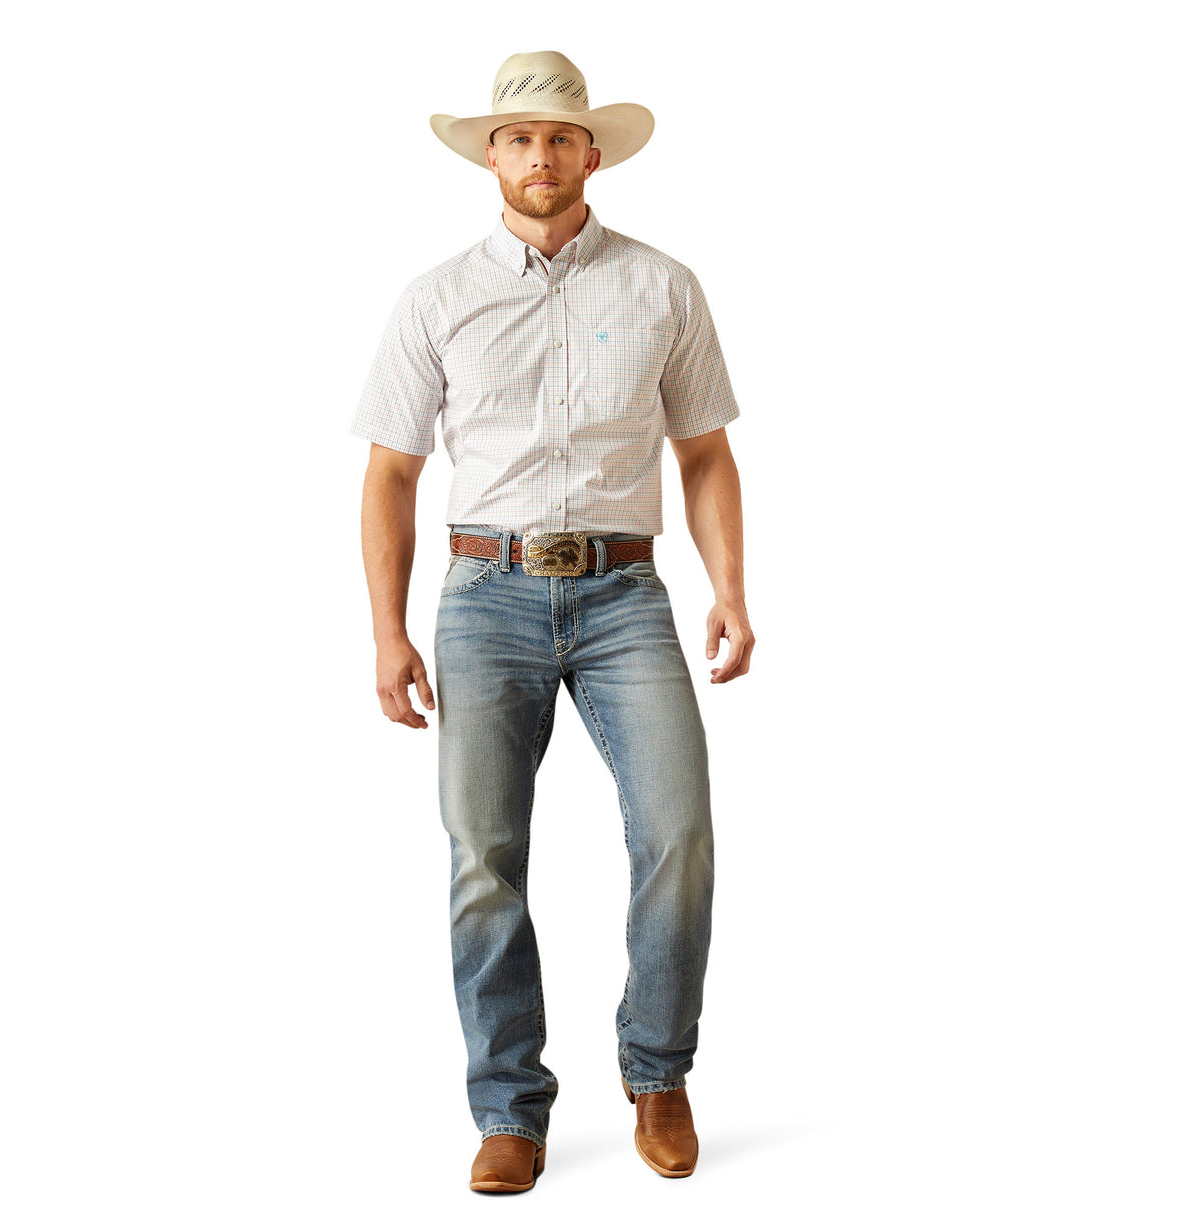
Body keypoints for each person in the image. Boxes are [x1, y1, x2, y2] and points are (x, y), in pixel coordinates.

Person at [352, 49, 753, 1192]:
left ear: (592, 152)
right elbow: (389, 475)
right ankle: (509, 1106)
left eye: (561, 137)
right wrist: (388, 632)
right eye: (519, 137)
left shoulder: (664, 285)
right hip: (487, 600)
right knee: (484, 856)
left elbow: (708, 453)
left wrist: (730, 589)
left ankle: (658, 1071)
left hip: (629, 597)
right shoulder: (434, 298)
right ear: (492, 155)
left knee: (678, 833)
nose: (541, 155)